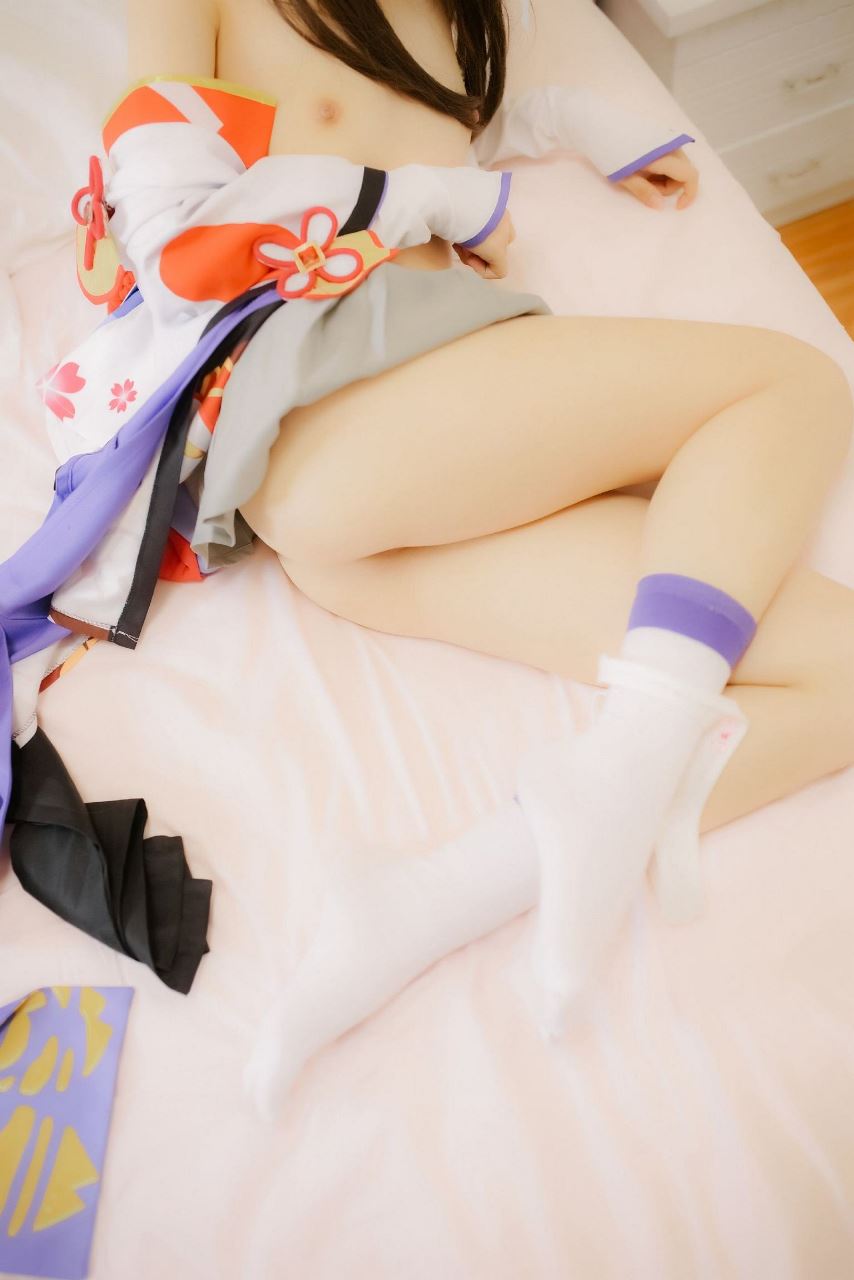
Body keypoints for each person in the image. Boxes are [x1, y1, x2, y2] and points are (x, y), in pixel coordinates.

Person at [16, 0, 854, 1115]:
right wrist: (440, 204)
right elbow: (168, 235)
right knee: (790, 383)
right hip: (331, 404)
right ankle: (604, 782)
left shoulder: (466, 19)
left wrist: (589, 127)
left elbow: (460, 124)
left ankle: (433, 896)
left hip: (395, 497)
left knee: (838, 668)